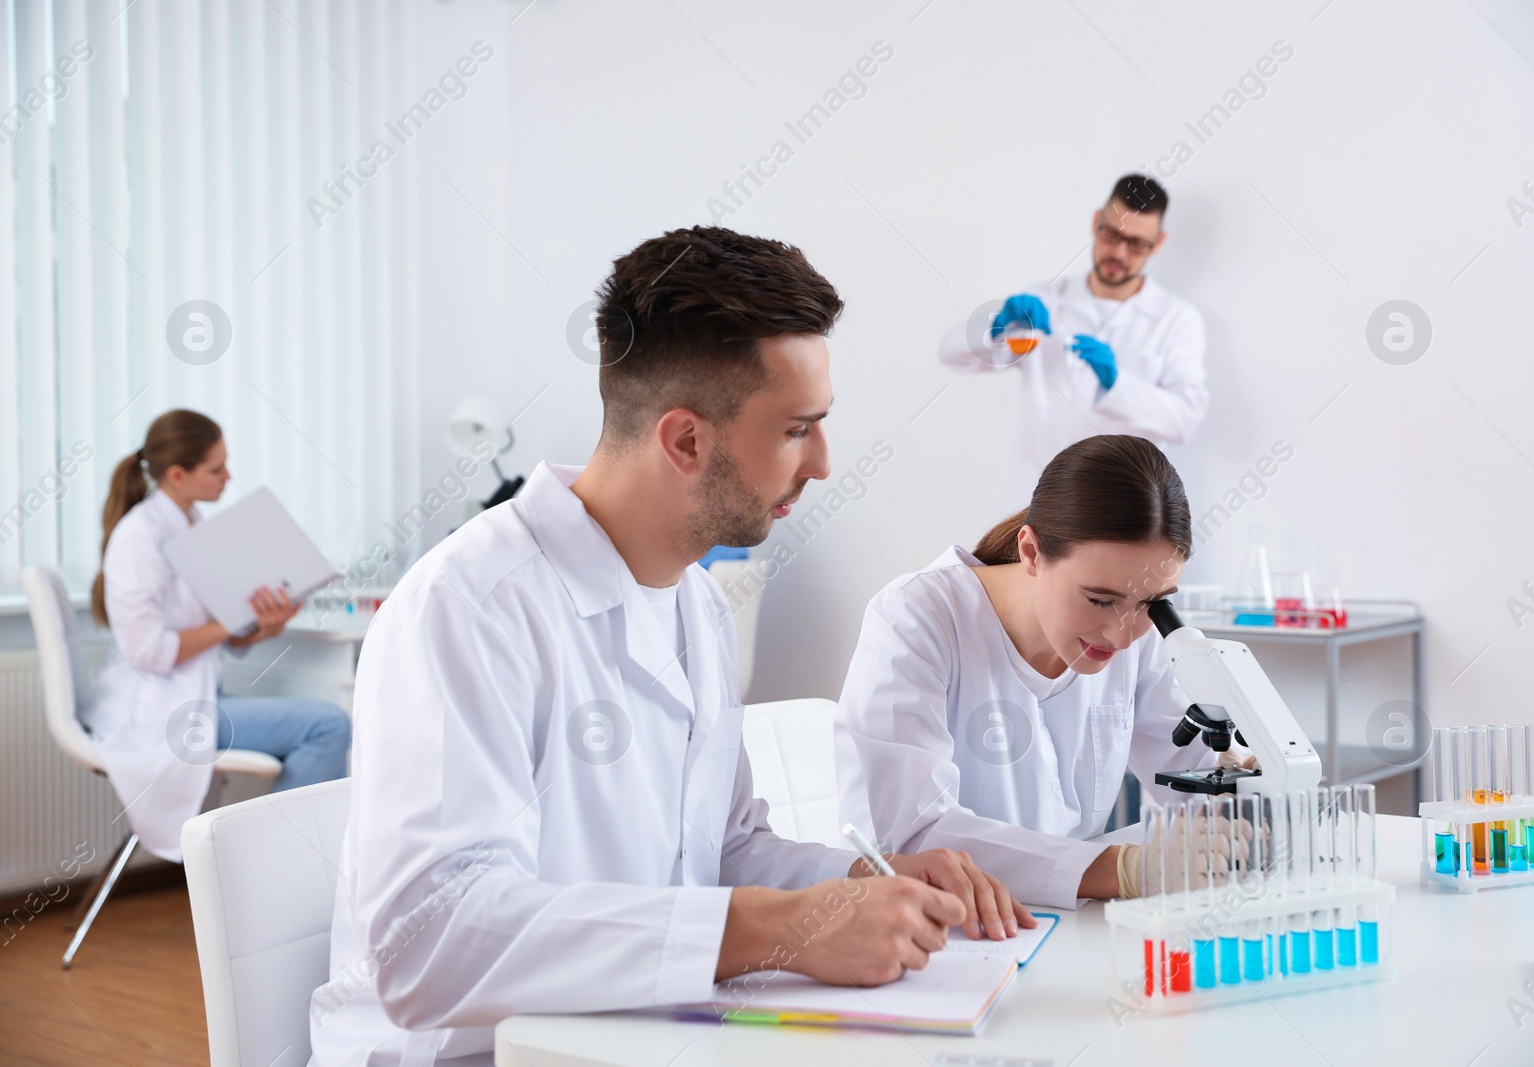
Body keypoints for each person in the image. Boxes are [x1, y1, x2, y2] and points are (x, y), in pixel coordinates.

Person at [310, 226, 1032, 1067]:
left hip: (636, 1036)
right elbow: (428, 947)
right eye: (799, 429)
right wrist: (783, 926)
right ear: (685, 440)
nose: (825, 463)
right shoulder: (467, 606)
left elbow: (721, 850)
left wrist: (869, 881)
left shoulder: (696, 601)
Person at [834, 435, 1250, 908]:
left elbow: (1196, 773)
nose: (1120, 635)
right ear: (1031, 552)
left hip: (1070, 923)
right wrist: (1124, 870)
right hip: (934, 927)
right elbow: (914, 835)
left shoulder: (1138, 630)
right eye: (1098, 600)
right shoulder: (916, 618)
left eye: (1152, 603)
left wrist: (1252, 790)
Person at [84, 409, 350, 862]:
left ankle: (283, 869)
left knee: (325, 723)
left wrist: (263, 626)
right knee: (328, 725)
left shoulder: (193, 528)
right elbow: (148, 651)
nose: (229, 476)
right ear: (177, 475)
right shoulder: (139, 539)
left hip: (196, 696)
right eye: (216, 468)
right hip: (159, 712)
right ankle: (284, 871)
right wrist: (231, 623)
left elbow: (220, 636)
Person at [939, 174, 1208, 507]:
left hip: (1121, 505)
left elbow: (1184, 420)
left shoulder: (1177, 320)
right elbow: (951, 354)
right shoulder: (1045, 299)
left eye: (1137, 244)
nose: (1120, 253)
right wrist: (999, 325)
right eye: (1112, 234)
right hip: (1035, 499)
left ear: (1158, 243)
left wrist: (1117, 382)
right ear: (1096, 222)